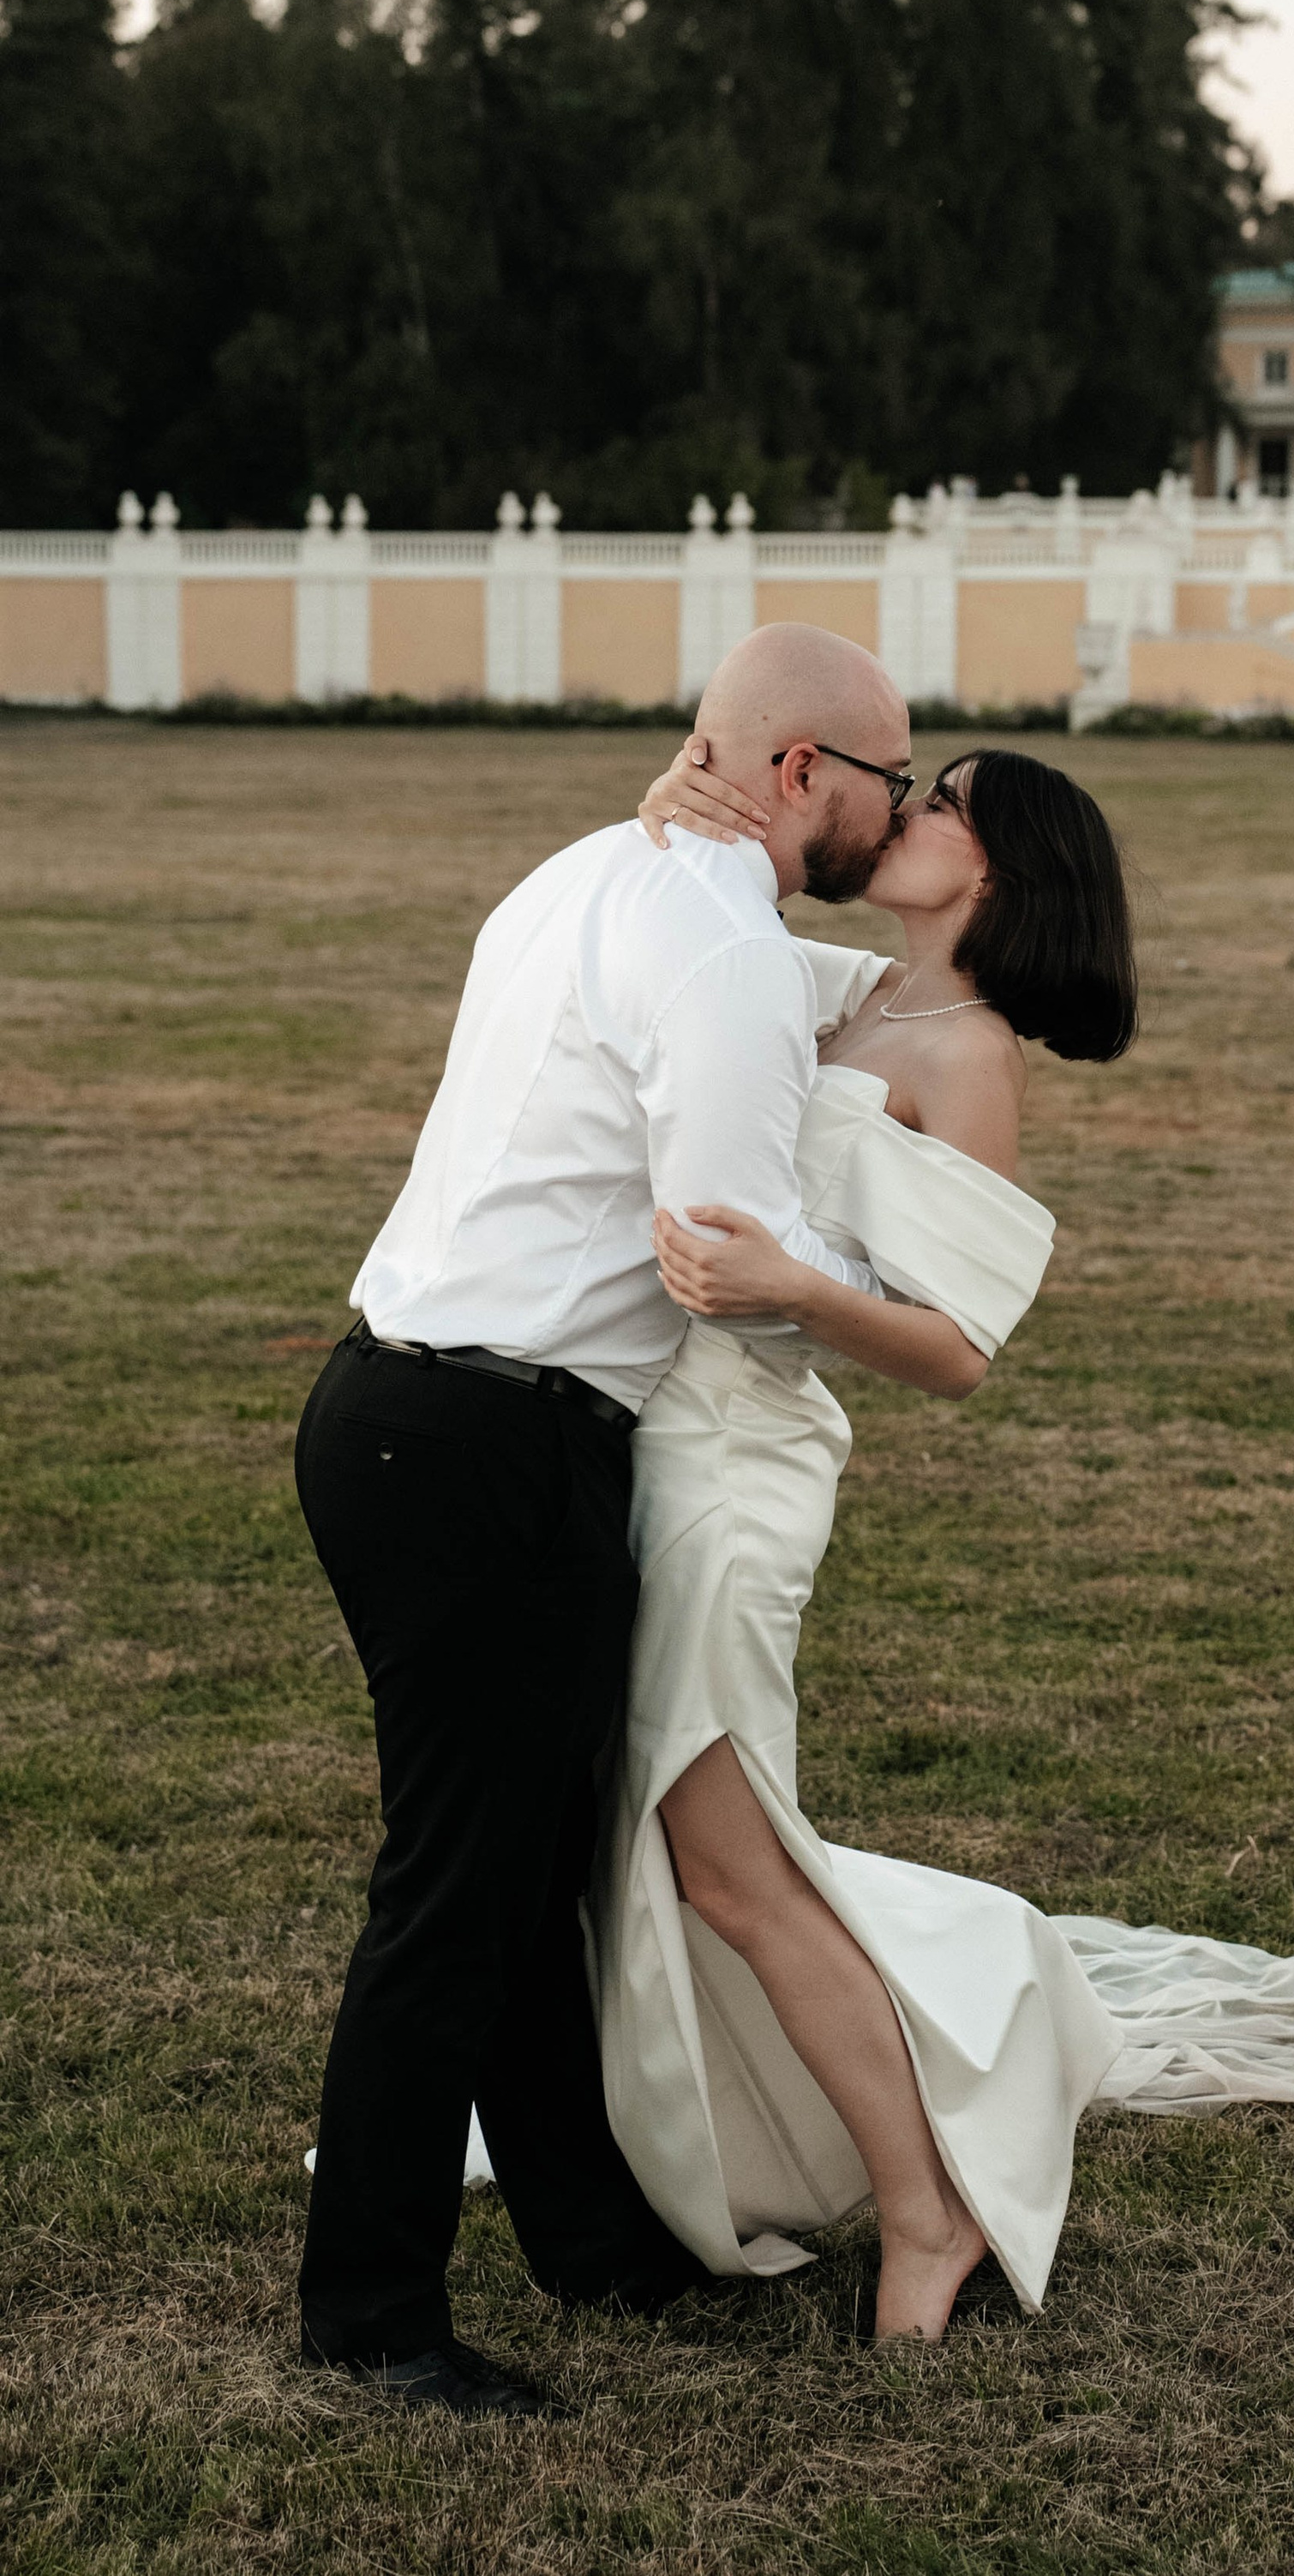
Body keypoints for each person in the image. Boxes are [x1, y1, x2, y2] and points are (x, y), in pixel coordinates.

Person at [596, 734, 1294, 2343]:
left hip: (743, 1469)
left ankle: (934, 2210)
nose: (904, 810)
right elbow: (696, 933)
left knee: (724, 1854)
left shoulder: (970, 1049)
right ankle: (712, 2126)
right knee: (673, 1836)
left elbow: (959, 1343)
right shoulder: (852, 994)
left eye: (942, 803)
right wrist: (673, 803)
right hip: (654, 1433)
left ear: (1003, 868)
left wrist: (797, 1293)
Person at [291, 623, 916, 2418]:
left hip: (406, 1414)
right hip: (491, 1443)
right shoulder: (714, 941)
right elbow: (723, 1257)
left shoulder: (596, 871)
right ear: (795, 772)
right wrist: (890, 1302)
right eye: (885, 772)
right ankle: (370, 2310)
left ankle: (588, 2236)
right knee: (460, 1883)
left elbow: (773, 992)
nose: (897, 800)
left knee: (522, 1859)